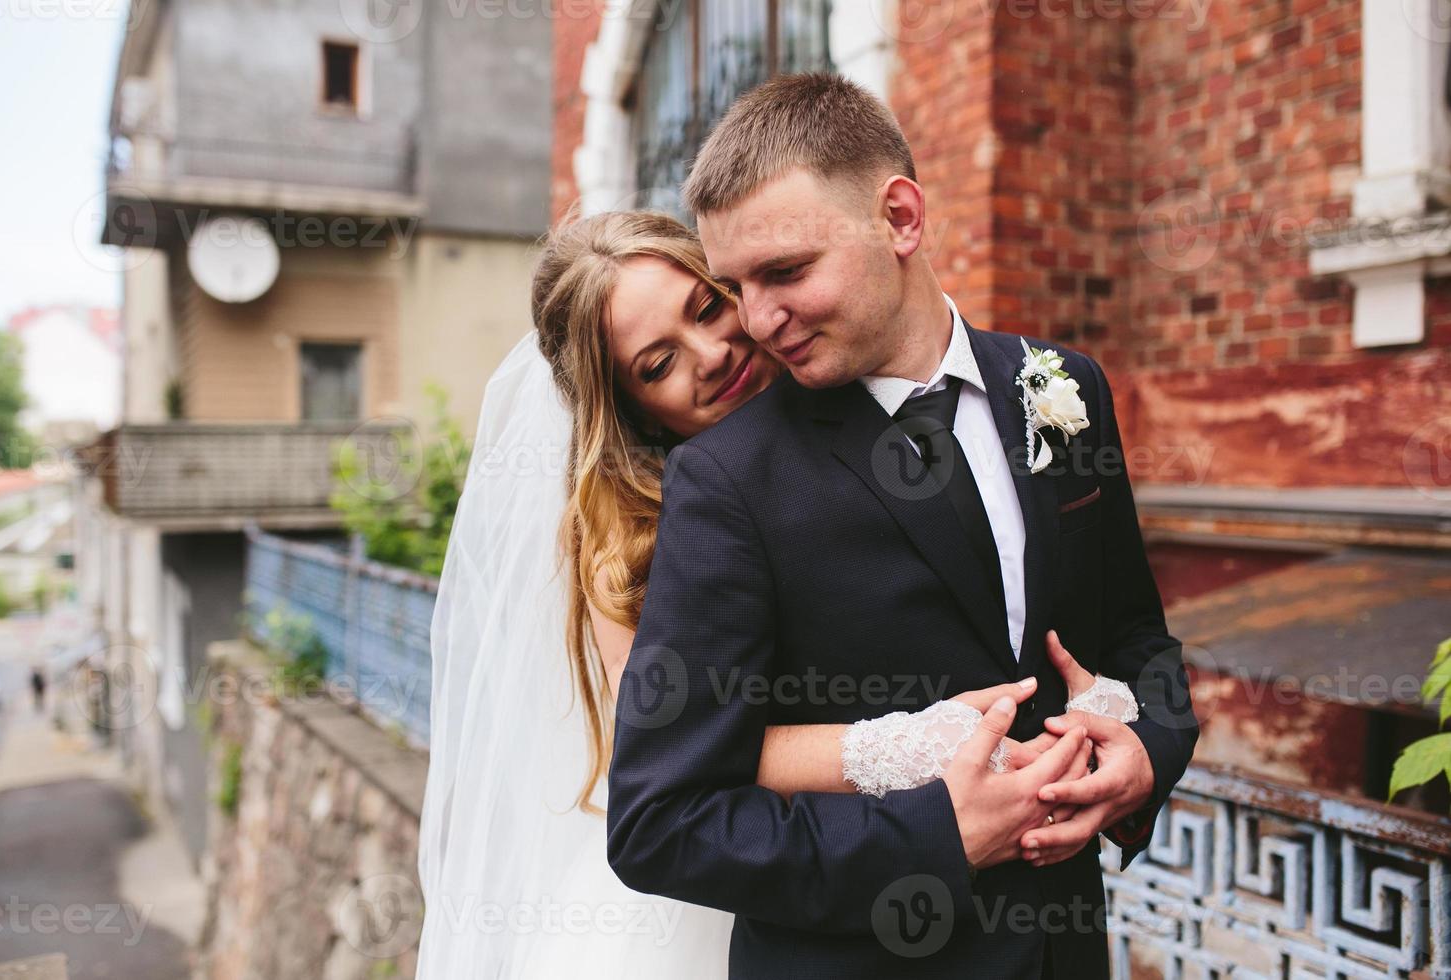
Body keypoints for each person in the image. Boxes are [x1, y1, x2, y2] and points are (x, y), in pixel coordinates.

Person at [414, 210, 1142, 977]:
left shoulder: (874, 408)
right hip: (773, 887)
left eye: (707, 308)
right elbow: (676, 756)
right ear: (627, 408)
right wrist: (898, 745)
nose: (712, 353)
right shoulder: (626, 545)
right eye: (658, 364)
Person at [604, 73, 1198, 978]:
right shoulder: (728, 481)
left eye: (787, 272)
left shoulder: (1064, 387)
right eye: (736, 285)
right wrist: (933, 839)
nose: (757, 322)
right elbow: (660, 822)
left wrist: (1147, 754)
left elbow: (1136, 639)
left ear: (901, 219)